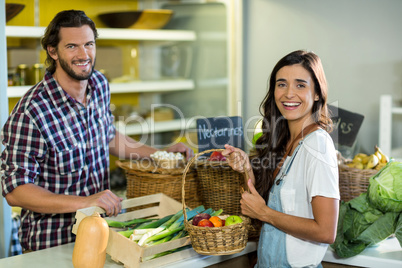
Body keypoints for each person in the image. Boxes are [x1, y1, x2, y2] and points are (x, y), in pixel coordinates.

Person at [0, 10, 193, 252]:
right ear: (53, 51)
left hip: (102, 234)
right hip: (54, 243)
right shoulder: (31, 113)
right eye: (72, 46)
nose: (83, 55)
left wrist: (160, 154)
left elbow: (108, 136)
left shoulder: (98, 85)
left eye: (89, 44)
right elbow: (16, 191)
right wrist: (86, 202)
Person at [222, 50, 340, 267]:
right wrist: (246, 168)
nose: (288, 93)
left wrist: (265, 213)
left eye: (300, 85)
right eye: (282, 84)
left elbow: (326, 231)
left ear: (317, 94)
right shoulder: (285, 140)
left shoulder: (318, 145)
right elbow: (258, 206)